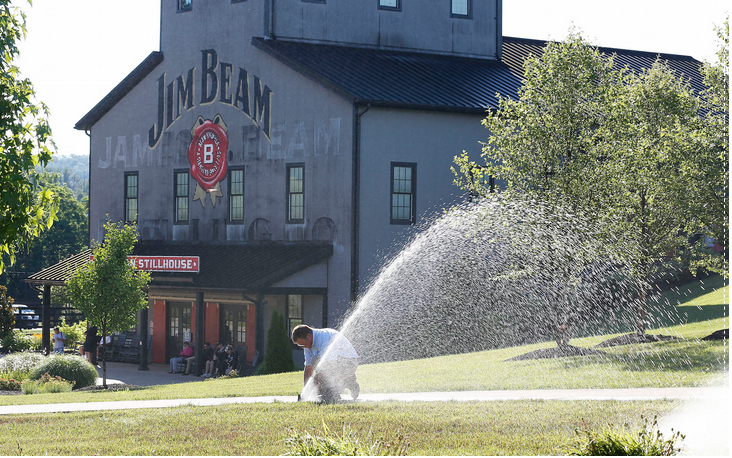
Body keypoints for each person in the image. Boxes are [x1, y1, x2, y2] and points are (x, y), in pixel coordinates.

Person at [291, 324, 359, 402]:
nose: (303, 347)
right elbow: (308, 368)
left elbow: (327, 366)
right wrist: (305, 390)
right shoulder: (307, 345)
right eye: (300, 346)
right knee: (315, 362)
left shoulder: (325, 337)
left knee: (324, 387)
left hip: (349, 363)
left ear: (309, 336)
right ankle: (348, 382)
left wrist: (314, 385)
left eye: (302, 344)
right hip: (333, 365)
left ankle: (336, 391)